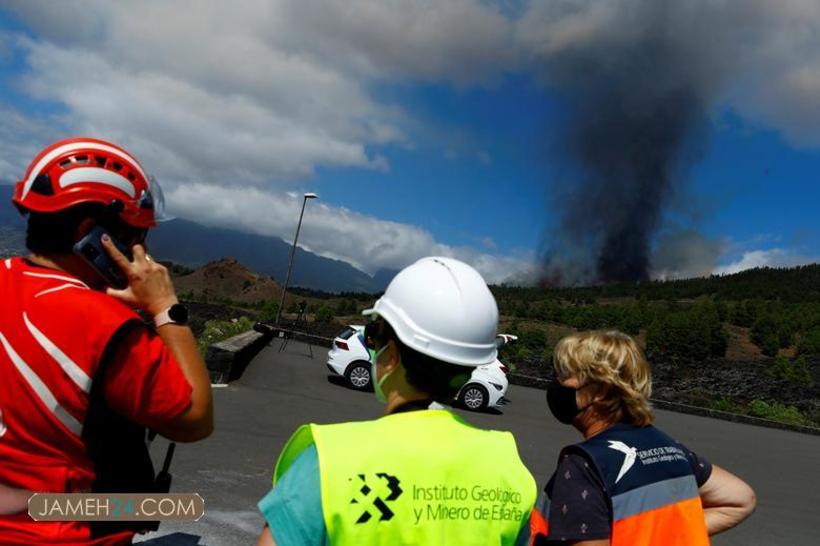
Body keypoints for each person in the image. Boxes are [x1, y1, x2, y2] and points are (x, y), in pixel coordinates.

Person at [0, 137, 214, 545]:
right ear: (92, 233)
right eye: (137, 234)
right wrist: (166, 307)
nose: (143, 249)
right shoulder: (107, 326)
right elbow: (196, 419)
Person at [256, 257, 539, 546]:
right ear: (470, 365)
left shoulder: (330, 459)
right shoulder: (508, 468)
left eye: (374, 335)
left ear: (391, 356)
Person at [535, 330, 756, 545]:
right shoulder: (670, 448)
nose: (556, 382)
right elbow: (740, 499)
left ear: (599, 391)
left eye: (563, 374)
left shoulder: (584, 465)